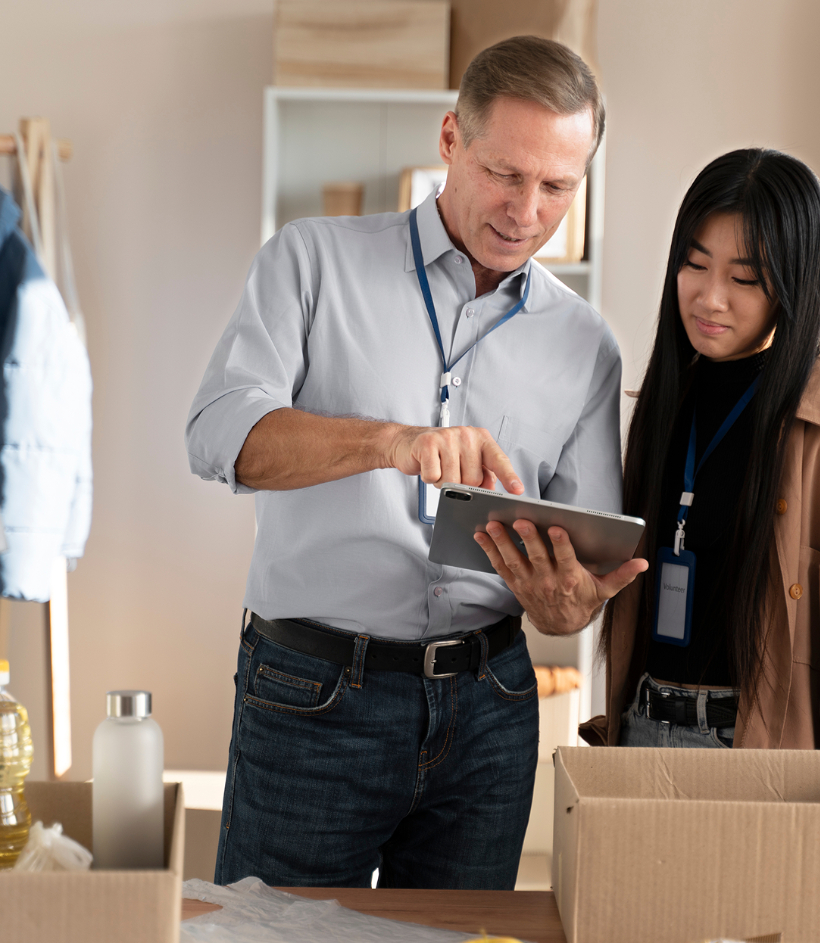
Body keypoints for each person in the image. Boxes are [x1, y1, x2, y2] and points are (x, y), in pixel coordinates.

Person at [185, 36, 646, 890]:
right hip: (311, 698)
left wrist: (568, 605)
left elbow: (573, 586)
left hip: (490, 708)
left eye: (557, 188)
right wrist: (392, 443)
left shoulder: (586, 343)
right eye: (504, 174)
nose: (526, 211)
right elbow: (218, 435)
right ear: (449, 140)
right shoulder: (311, 259)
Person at [580, 148, 820, 752]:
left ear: (793, 283)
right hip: (639, 728)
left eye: (744, 279)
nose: (710, 298)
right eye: (694, 265)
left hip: (754, 752)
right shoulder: (661, 400)